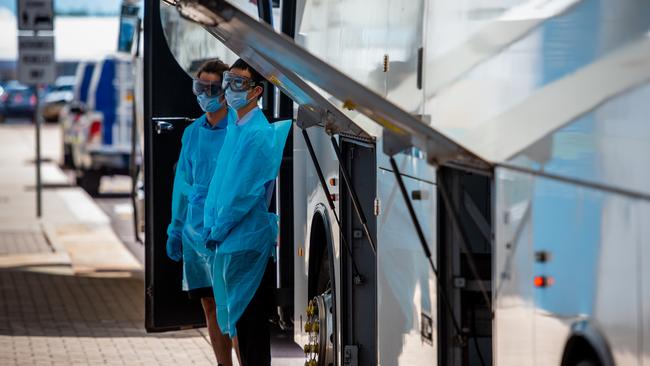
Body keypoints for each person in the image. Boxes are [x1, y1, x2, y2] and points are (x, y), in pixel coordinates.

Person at [203, 59, 291, 366]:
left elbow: (242, 193)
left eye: (239, 83)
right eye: (229, 80)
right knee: (244, 326)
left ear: (256, 91)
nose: (229, 88)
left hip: (245, 242)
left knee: (252, 332)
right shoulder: (236, 125)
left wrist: (218, 228)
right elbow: (222, 185)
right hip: (233, 240)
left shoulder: (256, 133)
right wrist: (211, 224)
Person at [165, 59, 238, 366]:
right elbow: (183, 182)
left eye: (211, 88)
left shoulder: (238, 130)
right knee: (209, 304)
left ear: (224, 92)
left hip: (228, 231)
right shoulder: (193, 132)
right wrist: (176, 227)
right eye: (199, 87)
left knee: (233, 308)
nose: (204, 94)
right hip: (196, 234)